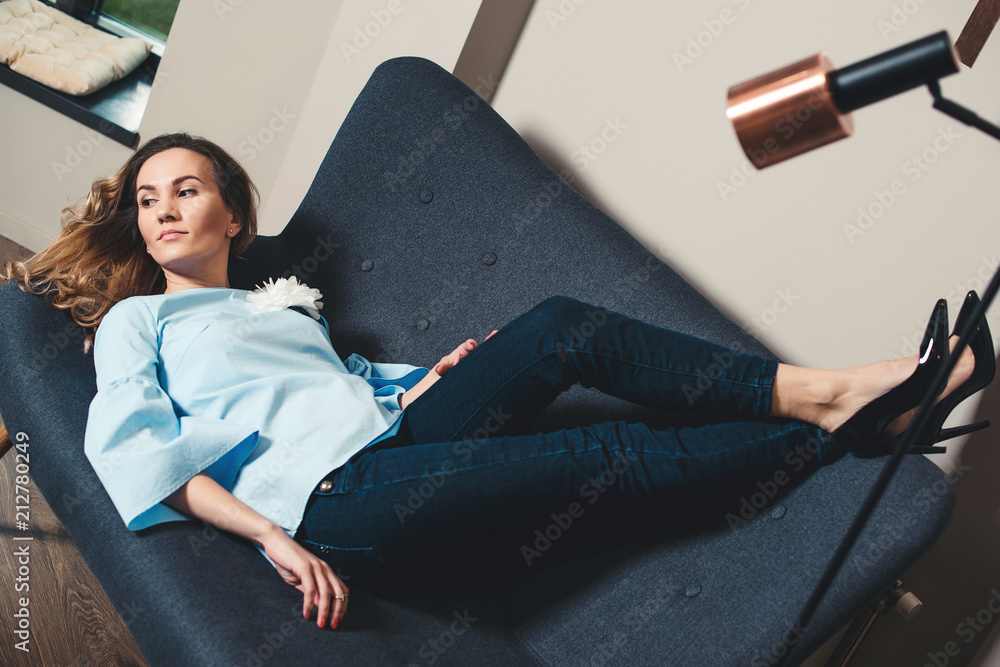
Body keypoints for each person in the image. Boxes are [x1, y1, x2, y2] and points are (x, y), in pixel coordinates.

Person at [0, 133, 992, 634]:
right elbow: (133, 448)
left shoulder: (280, 306)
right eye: (147, 198)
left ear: (231, 213)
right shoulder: (138, 320)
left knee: (560, 326)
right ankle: (848, 424)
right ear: (137, 226)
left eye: (187, 188)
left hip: (388, 438)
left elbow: (336, 390)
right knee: (602, 452)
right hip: (335, 503)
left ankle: (823, 393)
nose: (166, 208)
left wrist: (416, 382)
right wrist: (266, 534)